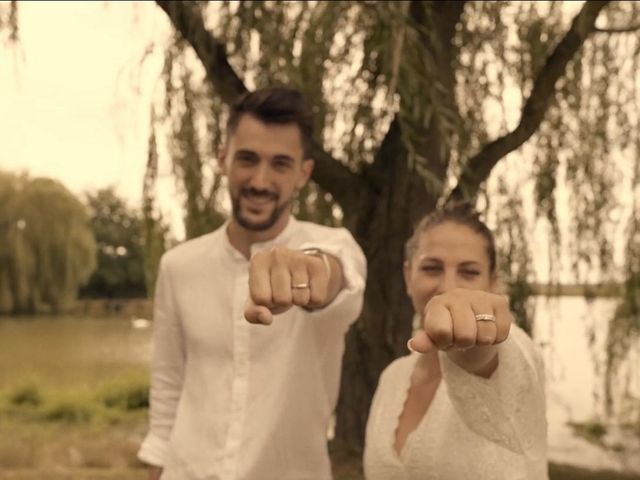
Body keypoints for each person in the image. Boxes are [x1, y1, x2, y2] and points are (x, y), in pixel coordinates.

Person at [138, 87, 366, 480]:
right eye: (247, 159)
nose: (260, 181)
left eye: (280, 164)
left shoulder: (335, 246)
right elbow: (169, 382)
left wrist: (308, 270)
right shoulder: (178, 265)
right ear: (223, 159)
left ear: (303, 174)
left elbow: (337, 281)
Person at [363, 206, 547, 479]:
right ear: (407, 277)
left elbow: (491, 357)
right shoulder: (392, 377)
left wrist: (477, 350)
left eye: (469, 272)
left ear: (492, 283)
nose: (448, 287)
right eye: (431, 268)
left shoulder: (512, 348)